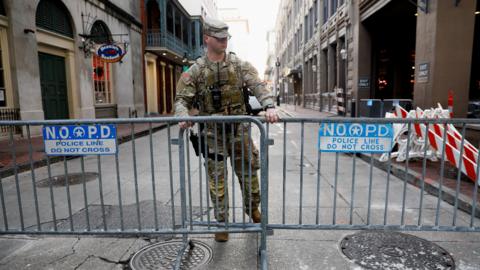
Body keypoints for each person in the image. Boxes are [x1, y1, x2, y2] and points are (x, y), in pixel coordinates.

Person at [174, 17, 279, 242]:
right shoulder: (196, 71)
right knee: (217, 180)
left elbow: (259, 86)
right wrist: (183, 115)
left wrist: (269, 105)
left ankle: (253, 210)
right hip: (212, 135)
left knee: (249, 175)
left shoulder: (239, 66)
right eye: (219, 38)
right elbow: (181, 100)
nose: (224, 41)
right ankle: (221, 222)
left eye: (226, 38)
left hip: (239, 132)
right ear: (207, 38)